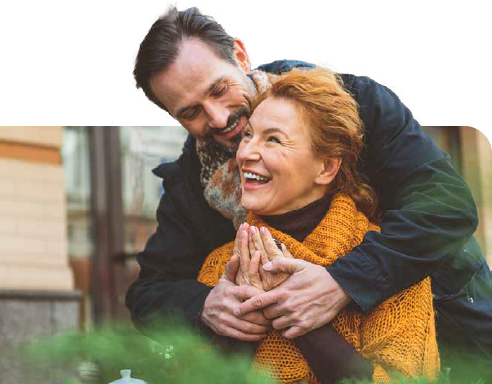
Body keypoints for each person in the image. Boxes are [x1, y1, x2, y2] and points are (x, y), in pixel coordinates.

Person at [126, 4, 492, 362]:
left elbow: (447, 206)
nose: (219, 119)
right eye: (190, 113)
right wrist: (204, 306)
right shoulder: (192, 183)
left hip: (457, 333)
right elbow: (149, 293)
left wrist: (344, 282)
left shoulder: (356, 103)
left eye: (219, 89)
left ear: (240, 55)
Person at [196, 68, 439, 384]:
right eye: (248, 135)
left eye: (273, 140)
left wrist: (290, 310)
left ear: (326, 168)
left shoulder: (392, 266)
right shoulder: (224, 266)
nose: (246, 152)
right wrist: (239, 326)